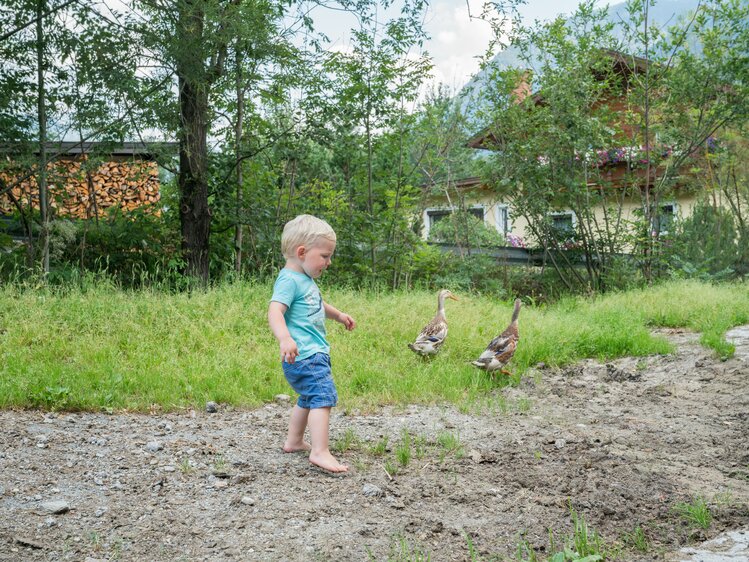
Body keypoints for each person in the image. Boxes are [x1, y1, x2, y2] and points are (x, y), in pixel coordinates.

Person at [267, 214, 356, 473]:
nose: (328, 262)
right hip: (306, 355)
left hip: (309, 355)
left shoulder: (305, 281)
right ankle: (320, 451)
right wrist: (285, 338)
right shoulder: (288, 280)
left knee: (308, 396)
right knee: (323, 397)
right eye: (325, 256)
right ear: (302, 252)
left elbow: (317, 305)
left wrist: (338, 315)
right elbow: (274, 311)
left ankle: (294, 441)